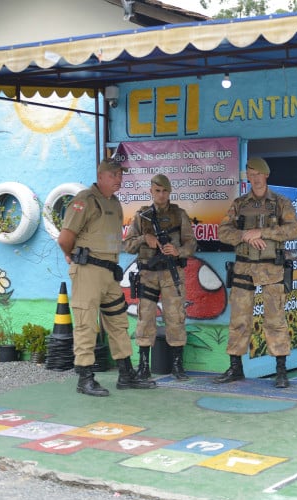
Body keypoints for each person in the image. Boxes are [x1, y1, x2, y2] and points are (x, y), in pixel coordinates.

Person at [57, 158, 156, 396]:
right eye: (113, 175)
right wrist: (71, 256)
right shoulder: (85, 201)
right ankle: (85, 378)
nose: (118, 179)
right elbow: (65, 238)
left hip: (110, 272)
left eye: (120, 175)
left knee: (118, 323)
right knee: (86, 324)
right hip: (88, 271)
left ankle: (125, 373)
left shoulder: (115, 203)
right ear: (100, 176)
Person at [214, 157, 297, 388]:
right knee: (239, 320)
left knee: (275, 320)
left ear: (266, 175)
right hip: (243, 267)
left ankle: (281, 371)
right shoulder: (240, 204)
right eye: (250, 174)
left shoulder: (280, 203)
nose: (254, 178)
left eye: (258, 174)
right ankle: (235, 368)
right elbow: (223, 232)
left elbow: (293, 230)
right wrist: (245, 235)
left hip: (272, 268)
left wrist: (261, 232)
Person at [123, 174, 197, 381]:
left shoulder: (179, 215)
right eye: (157, 191)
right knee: (145, 318)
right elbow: (127, 245)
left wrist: (178, 251)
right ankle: (144, 365)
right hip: (148, 274)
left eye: (165, 191)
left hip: (171, 274)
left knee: (175, 317)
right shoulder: (141, 216)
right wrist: (144, 238)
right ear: (151, 192)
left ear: (169, 192)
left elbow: (192, 244)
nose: (161, 195)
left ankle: (176, 365)